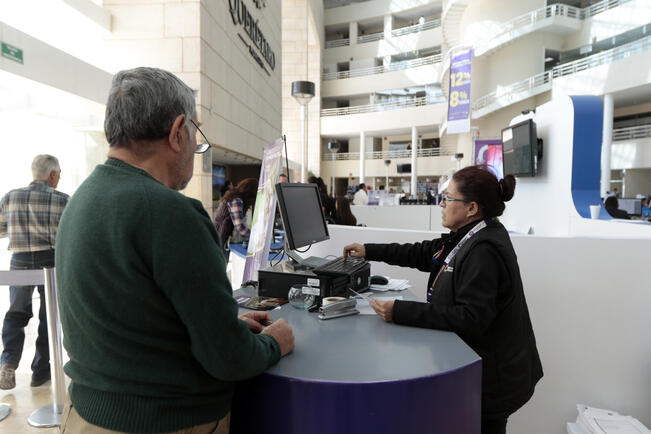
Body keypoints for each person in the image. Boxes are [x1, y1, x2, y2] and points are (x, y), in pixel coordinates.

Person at [55, 67, 294, 433]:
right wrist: (274, 344)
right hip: (167, 420)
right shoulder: (171, 213)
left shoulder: (81, 201)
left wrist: (224, 326)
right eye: (197, 135)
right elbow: (228, 359)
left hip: (86, 415)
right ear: (178, 131)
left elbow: (132, 319)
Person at [343, 166, 543, 434]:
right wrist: (368, 250)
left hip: (493, 381)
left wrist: (400, 311)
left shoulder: (484, 250)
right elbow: (423, 253)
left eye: (448, 198)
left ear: (472, 208)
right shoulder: (470, 234)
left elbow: (471, 319)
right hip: (482, 370)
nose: (441, 203)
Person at [0, 154, 69, 390]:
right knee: (49, 318)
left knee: (16, 314)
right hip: (51, 261)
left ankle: (8, 363)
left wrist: (21, 227)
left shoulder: (10, 197)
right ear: (52, 175)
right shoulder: (62, 200)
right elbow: (71, 235)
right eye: (59, 174)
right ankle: (40, 372)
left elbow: (0, 229)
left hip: (19, 261)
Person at [213, 177, 258, 258]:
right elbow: (240, 227)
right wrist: (256, 236)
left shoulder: (234, 197)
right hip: (221, 239)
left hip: (219, 238)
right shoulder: (236, 200)